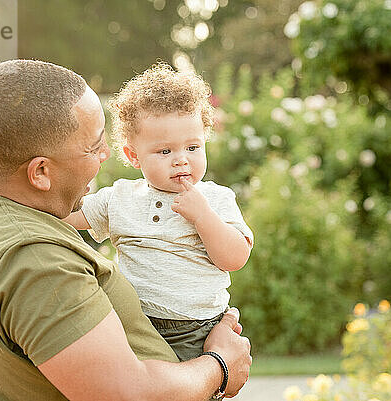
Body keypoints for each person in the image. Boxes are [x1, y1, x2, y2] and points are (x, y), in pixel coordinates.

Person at [0, 59, 251, 401]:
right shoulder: (37, 261)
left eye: (192, 147)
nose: (107, 155)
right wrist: (221, 365)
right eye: (93, 147)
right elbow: (126, 395)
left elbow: (234, 253)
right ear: (40, 172)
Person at [64, 63, 253, 362]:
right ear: (133, 156)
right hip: (135, 325)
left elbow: (234, 258)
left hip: (196, 330)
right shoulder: (120, 198)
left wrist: (203, 217)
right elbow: (66, 215)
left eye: (192, 147)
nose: (181, 160)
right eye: (165, 151)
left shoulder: (215, 199)